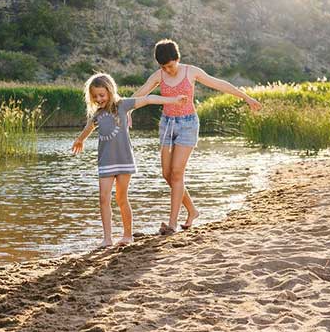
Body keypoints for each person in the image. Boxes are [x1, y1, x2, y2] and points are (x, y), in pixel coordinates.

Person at [132, 39, 262, 235]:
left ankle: (172, 224)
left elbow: (219, 84)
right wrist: (124, 110)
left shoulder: (190, 72)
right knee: (167, 174)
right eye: (163, 67)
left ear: (177, 59)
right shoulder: (158, 75)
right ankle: (192, 211)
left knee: (177, 174)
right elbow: (140, 94)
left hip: (188, 125)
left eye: (169, 65)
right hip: (166, 125)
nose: (167, 70)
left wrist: (246, 97)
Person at [71, 73, 187, 247]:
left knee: (121, 198)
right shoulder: (97, 114)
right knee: (103, 198)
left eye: (102, 95)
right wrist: (80, 140)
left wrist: (173, 100)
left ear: (110, 91)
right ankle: (107, 238)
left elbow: (148, 99)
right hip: (105, 162)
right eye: (95, 96)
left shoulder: (122, 105)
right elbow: (88, 128)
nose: (99, 99)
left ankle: (127, 235)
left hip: (124, 160)